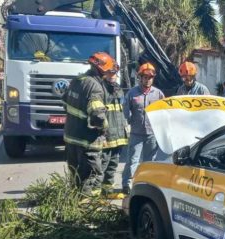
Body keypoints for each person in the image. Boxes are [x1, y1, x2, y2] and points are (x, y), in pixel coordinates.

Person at [63, 52, 114, 197]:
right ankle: (85, 205)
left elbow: (64, 103)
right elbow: (97, 116)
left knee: (75, 176)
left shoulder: (76, 80)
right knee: (90, 176)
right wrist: (105, 129)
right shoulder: (95, 87)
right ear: (102, 69)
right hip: (87, 142)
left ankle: (73, 202)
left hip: (71, 138)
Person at [121, 63, 165, 195]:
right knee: (132, 161)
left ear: (153, 78)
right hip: (136, 133)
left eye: (150, 77)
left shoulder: (158, 94)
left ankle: (146, 184)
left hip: (152, 134)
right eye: (145, 77)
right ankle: (127, 185)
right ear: (140, 77)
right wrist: (127, 125)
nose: (147, 80)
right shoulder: (132, 93)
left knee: (149, 162)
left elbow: (164, 112)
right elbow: (125, 111)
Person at [99, 56, 130, 199]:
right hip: (107, 133)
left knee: (113, 164)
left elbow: (122, 111)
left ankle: (107, 190)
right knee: (102, 164)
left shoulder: (119, 90)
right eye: (110, 73)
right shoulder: (101, 89)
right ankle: (97, 192)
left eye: (114, 73)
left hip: (119, 134)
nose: (113, 76)